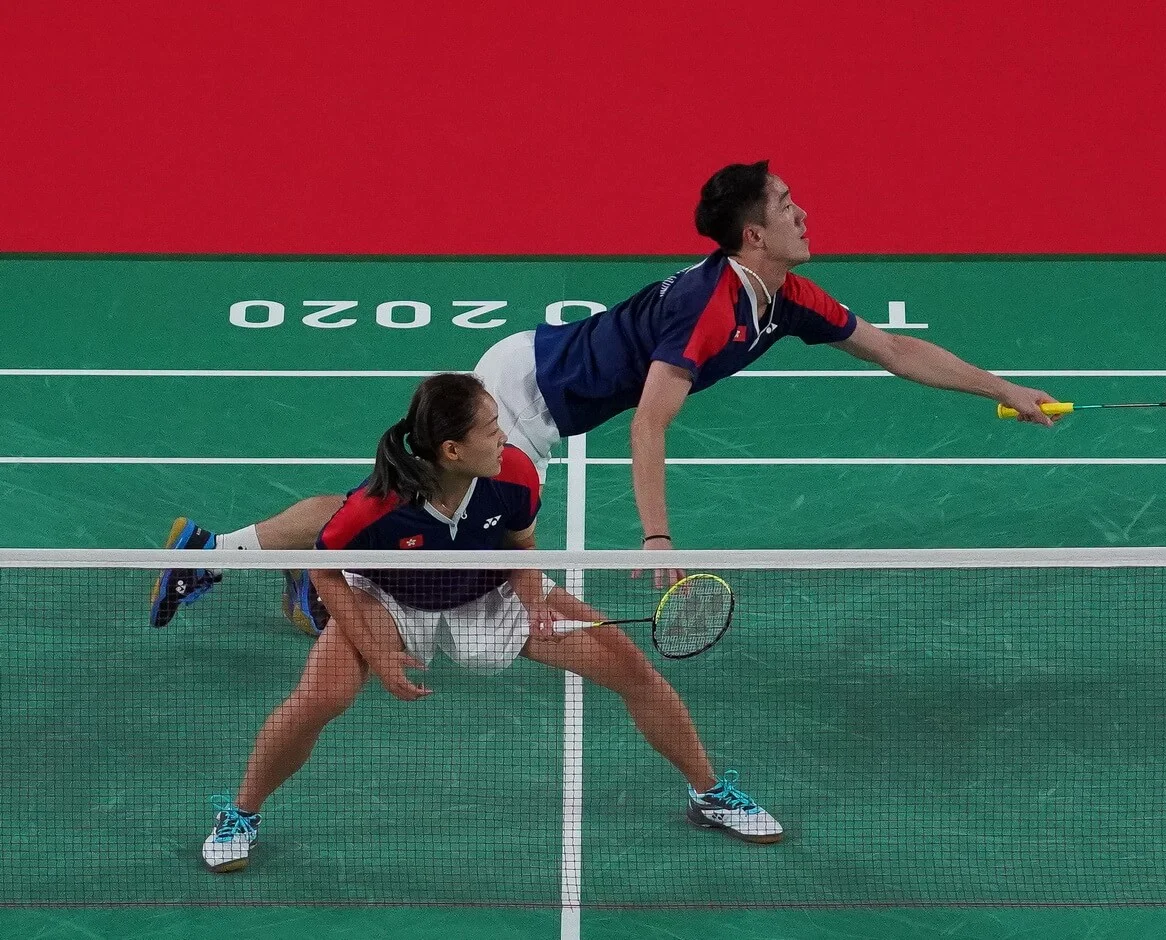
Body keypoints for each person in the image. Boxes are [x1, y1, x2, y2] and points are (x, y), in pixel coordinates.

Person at [152, 160, 1059, 631]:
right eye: (787, 204)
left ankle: (252, 559)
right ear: (753, 233)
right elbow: (651, 425)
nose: (803, 212)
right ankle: (275, 568)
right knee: (449, 534)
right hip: (526, 395)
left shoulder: (785, 297)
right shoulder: (708, 306)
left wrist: (1006, 389)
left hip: (546, 389)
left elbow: (893, 349)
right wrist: (657, 538)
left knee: (410, 504)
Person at [200, 373, 782, 873]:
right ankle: (240, 814)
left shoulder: (515, 474)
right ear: (452, 450)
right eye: (491, 427)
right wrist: (374, 651)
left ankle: (710, 796)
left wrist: (534, 600)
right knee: (317, 700)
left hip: (488, 593)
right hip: (392, 599)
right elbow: (325, 570)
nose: (504, 436)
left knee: (632, 668)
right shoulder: (376, 505)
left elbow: (520, 548)